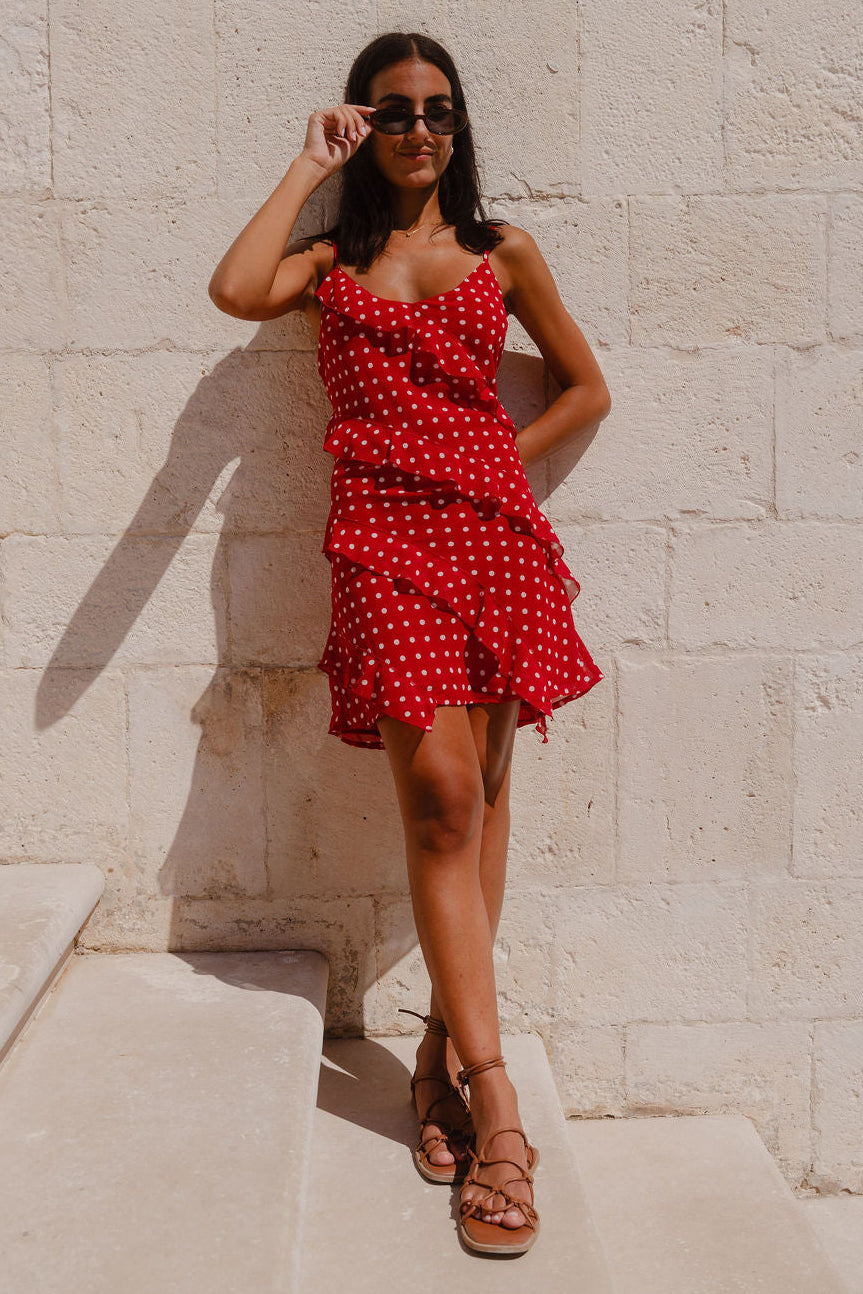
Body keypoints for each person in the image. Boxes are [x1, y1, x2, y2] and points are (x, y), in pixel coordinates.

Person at [209, 30, 611, 1258]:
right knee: (440, 801)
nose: (418, 129)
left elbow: (584, 388)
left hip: (488, 545)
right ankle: (498, 1104)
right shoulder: (328, 262)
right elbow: (233, 288)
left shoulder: (501, 251)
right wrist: (307, 160)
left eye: (436, 110)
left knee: (477, 804)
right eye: (392, 112)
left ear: (458, 123)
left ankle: (438, 1052)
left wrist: (492, 467)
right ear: (363, 124)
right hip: (381, 548)